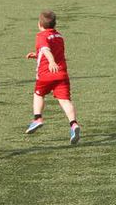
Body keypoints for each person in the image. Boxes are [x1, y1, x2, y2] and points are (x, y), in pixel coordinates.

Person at [25, 10, 80, 144]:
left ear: (39, 24)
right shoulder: (59, 36)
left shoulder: (41, 36)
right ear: (55, 24)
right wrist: (37, 55)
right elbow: (51, 50)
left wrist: (50, 61)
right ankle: (73, 124)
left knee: (38, 94)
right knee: (65, 100)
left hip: (46, 74)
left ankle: (37, 118)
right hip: (61, 74)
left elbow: (46, 50)